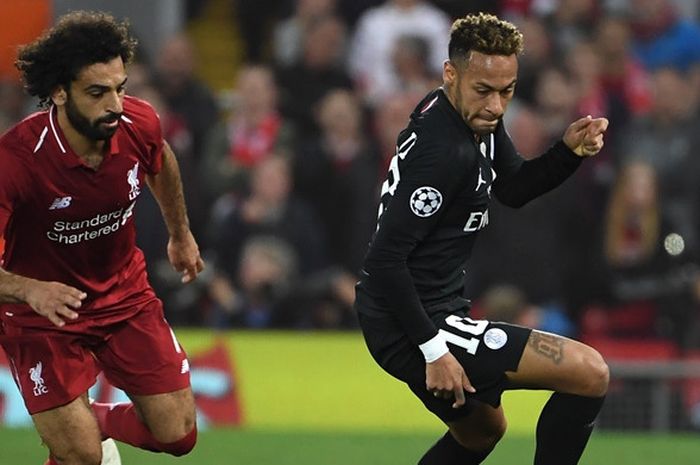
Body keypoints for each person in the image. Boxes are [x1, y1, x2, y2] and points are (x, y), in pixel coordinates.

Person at [354, 13, 610, 465]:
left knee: (481, 432)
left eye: (507, 91)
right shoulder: (443, 151)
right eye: (484, 91)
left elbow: (511, 189)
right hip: (412, 319)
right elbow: (384, 260)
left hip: (426, 309)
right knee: (590, 373)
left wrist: (567, 153)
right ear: (450, 73)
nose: (496, 105)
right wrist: (434, 350)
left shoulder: (468, 118)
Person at [0, 12, 203, 465]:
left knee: (179, 435)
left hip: (122, 295)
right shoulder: (16, 162)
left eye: (120, 88)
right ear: (58, 92)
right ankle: (79, 437)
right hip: (41, 316)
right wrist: (30, 289)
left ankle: (91, 420)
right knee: (82, 458)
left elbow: (161, 160)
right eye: (97, 92)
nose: (115, 104)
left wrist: (180, 234)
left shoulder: (137, 123)